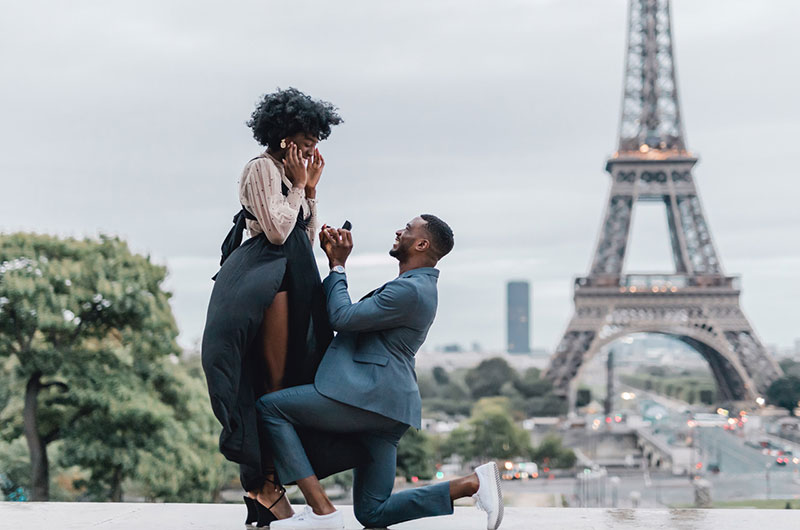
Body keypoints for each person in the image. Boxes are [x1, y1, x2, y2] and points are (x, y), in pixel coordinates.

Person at [256, 215, 504, 530]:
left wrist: (338, 266)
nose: (399, 231)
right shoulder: (415, 287)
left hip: (369, 396)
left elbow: (342, 317)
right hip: (389, 407)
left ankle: (322, 511)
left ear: (421, 244)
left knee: (271, 408)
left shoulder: (411, 290)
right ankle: (471, 484)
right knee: (373, 512)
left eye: (408, 229)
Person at [201, 88, 363, 527]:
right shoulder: (260, 169)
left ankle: (269, 486)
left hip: (289, 278)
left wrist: (309, 191)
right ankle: (263, 483)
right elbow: (275, 232)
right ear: (283, 136)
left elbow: (302, 240)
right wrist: (296, 188)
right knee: (270, 385)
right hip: (265, 282)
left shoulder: (289, 176)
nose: (312, 147)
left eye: (315, 139)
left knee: (291, 377)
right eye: (306, 138)